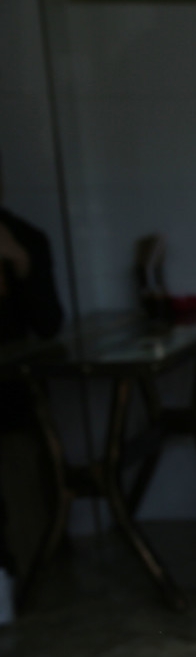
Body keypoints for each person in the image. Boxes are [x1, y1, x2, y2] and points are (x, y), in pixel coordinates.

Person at [0, 150, 65, 625]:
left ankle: (20, 582)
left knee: (19, 461)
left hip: (12, 395)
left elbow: (49, 325)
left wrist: (19, 263)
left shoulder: (25, 240)